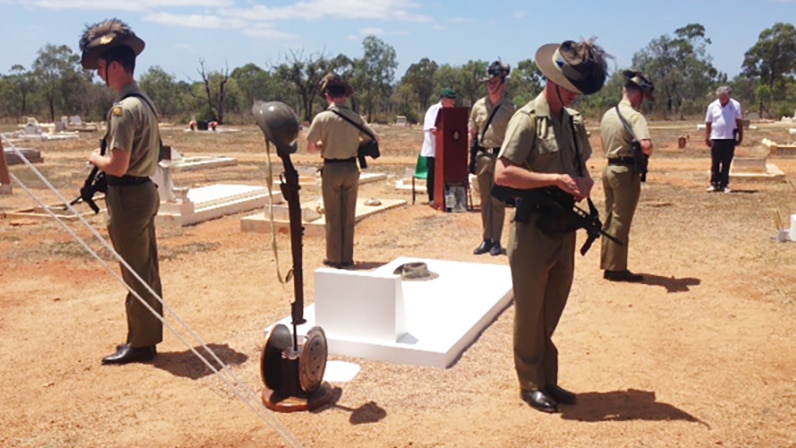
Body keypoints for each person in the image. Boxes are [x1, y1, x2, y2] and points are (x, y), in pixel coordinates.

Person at [494, 39, 608, 413]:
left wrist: (584, 181)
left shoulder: (574, 123)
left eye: (579, 90)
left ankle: (547, 378)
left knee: (552, 308)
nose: (575, 96)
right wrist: (553, 180)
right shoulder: (526, 119)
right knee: (530, 312)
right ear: (552, 80)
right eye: (571, 88)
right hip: (531, 231)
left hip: (563, 229)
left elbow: (580, 166)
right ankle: (530, 383)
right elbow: (503, 173)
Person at [80, 19, 164, 365]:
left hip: (128, 197)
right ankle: (144, 336)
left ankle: (141, 344)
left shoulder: (122, 109)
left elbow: (116, 164)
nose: (100, 75)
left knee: (135, 271)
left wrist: (93, 158)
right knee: (146, 269)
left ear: (115, 67)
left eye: (101, 68)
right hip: (143, 191)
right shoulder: (143, 103)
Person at [307, 73, 377, 268]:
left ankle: (334, 257)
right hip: (351, 168)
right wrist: (354, 144)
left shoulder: (322, 118)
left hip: (331, 168)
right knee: (348, 214)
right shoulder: (356, 117)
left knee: (332, 215)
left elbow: (311, 147)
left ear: (328, 96)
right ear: (344, 96)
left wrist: (326, 145)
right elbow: (373, 138)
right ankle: (347, 257)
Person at [599, 70, 655, 282]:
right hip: (625, 172)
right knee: (621, 220)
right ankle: (616, 268)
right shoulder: (634, 116)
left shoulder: (608, 114)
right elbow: (646, 146)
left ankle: (608, 262)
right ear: (637, 94)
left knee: (611, 218)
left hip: (609, 168)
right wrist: (648, 150)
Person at [469, 61, 517, 256]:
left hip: (500, 158)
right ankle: (486, 239)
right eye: (489, 81)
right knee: (485, 200)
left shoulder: (510, 108)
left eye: (495, 81)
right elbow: (472, 134)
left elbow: (515, 138)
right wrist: (468, 159)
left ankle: (497, 241)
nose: (491, 85)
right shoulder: (478, 106)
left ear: (503, 83)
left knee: (498, 201)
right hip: (482, 157)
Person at [420, 88, 458, 205]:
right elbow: (432, 129)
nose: (453, 103)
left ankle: (446, 197)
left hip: (447, 150)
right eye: (451, 101)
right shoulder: (434, 110)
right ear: (444, 100)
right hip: (433, 149)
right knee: (433, 174)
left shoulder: (453, 112)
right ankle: (432, 197)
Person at [704, 86, 743, 193]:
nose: (722, 99)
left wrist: (740, 135)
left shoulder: (735, 105)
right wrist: (707, 136)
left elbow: (739, 122)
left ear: (729, 96)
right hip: (716, 138)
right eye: (720, 97)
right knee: (715, 162)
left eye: (724, 97)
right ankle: (714, 184)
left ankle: (724, 184)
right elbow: (708, 123)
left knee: (726, 162)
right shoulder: (712, 106)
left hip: (729, 138)